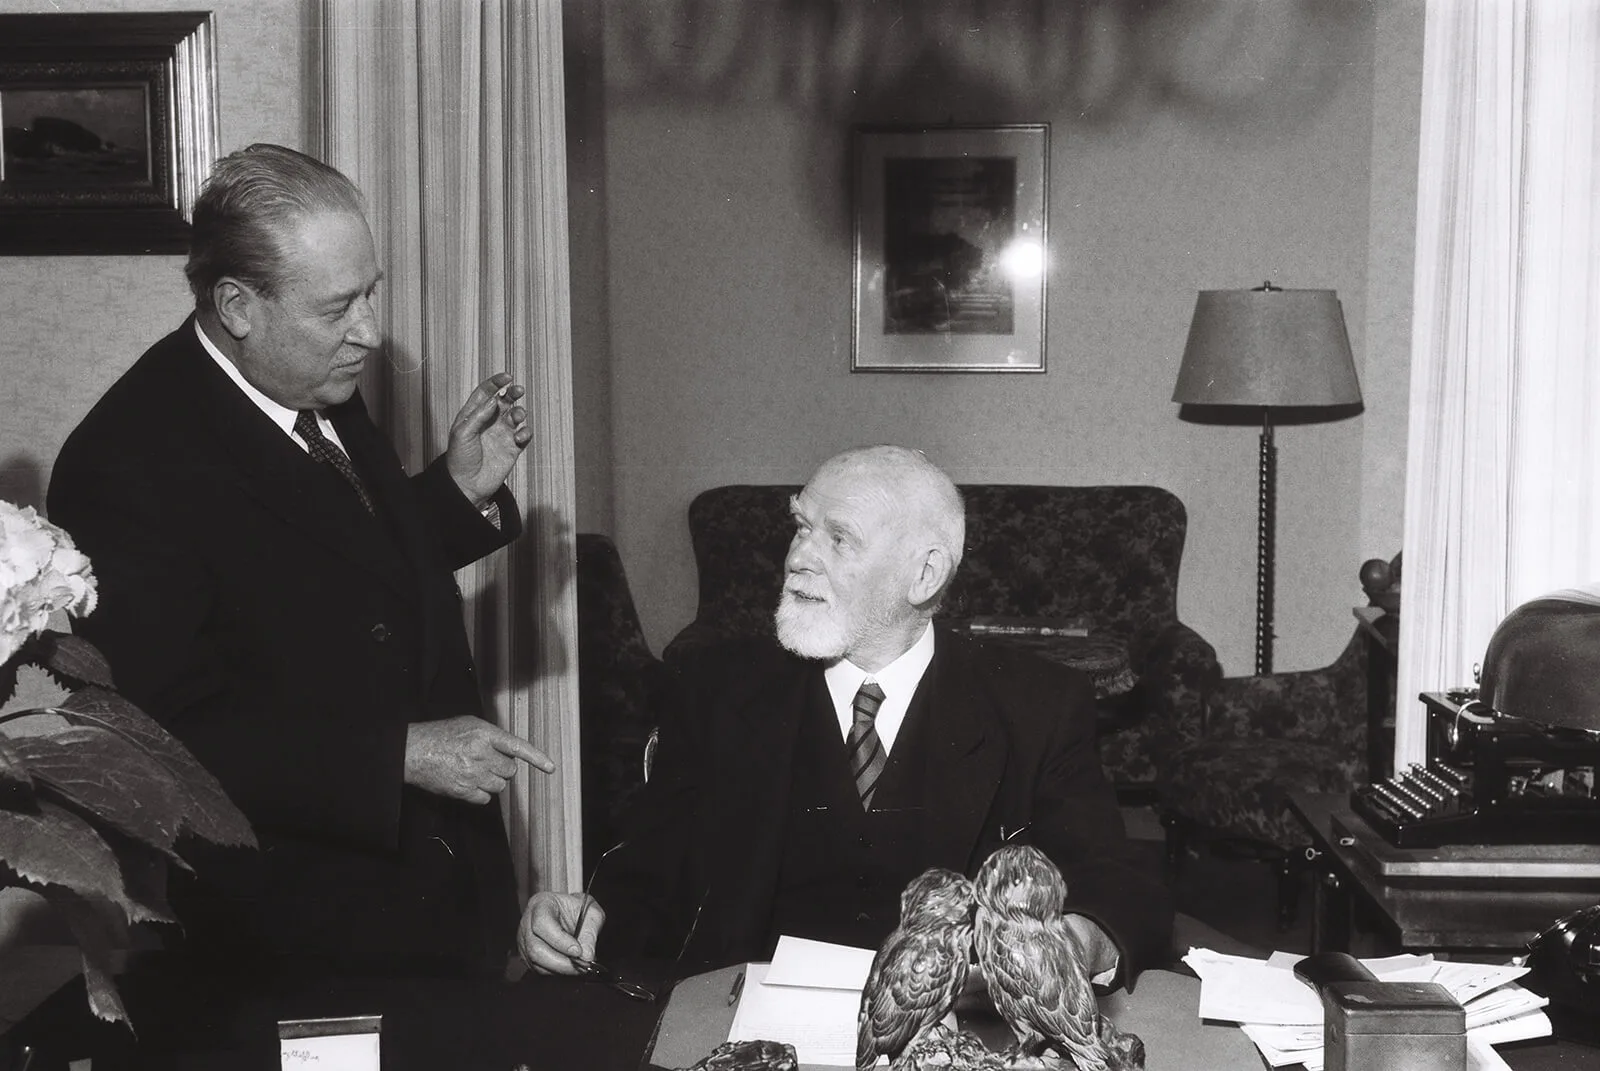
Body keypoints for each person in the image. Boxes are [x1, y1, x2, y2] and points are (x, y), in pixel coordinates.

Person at [47, 143, 553, 979]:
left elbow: (332, 571)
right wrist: (399, 755)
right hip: (295, 934)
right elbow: (157, 737)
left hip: (429, 887)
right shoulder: (125, 462)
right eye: (339, 307)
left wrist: (456, 492)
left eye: (370, 294)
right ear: (238, 306)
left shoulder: (306, 375)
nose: (369, 332)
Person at [518, 445, 1174, 991]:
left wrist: (1080, 939)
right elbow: (647, 869)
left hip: (955, 1033)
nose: (799, 557)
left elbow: (1112, 877)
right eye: (801, 527)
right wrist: (582, 916)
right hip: (748, 1025)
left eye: (839, 538)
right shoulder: (714, 689)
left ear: (925, 574)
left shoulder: (1036, 702)